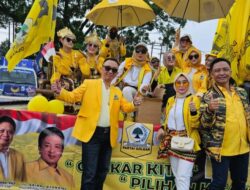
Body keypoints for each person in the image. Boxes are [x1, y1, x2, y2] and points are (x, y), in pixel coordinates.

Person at [51, 58, 142, 190]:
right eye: (107, 68)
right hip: (92, 135)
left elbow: (126, 107)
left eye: (114, 70)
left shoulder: (117, 91)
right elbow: (72, 97)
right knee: (90, 173)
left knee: (102, 172)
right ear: (101, 69)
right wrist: (60, 92)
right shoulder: (88, 84)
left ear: (117, 73)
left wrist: (134, 104)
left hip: (108, 136)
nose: (110, 72)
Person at [200, 58, 250, 190]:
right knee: (219, 184)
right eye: (217, 70)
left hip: (243, 148)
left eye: (225, 69)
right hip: (221, 149)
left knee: (240, 183)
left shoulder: (242, 93)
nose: (222, 73)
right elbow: (203, 125)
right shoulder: (208, 96)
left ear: (231, 71)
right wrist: (209, 110)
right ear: (211, 74)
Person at [157, 73, 201, 190]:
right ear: (175, 85)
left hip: (188, 141)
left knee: (183, 176)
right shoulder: (171, 100)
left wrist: (193, 112)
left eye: (185, 82)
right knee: (177, 175)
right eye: (178, 82)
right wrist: (162, 128)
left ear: (189, 83)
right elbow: (167, 119)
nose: (181, 85)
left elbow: (196, 124)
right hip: (172, 140)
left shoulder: (194, 99)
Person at [112, 42, 152, 121]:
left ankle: (130, 115)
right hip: (122, 87)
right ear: (134, 52)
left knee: (126, 90)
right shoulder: (127, 62)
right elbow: (117, 74)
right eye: (138, 50)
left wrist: (143, 89)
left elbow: (145, 84)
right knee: (115, 91)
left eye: (143, 51)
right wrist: (110, 84)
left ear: (146, 54)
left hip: (138, 92)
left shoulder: (147, 68)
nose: (140, 53)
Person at [0, 115, 26, 181]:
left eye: (10, 132)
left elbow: (24, 182)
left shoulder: (19, 156)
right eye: (2, 131)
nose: (6, 135)